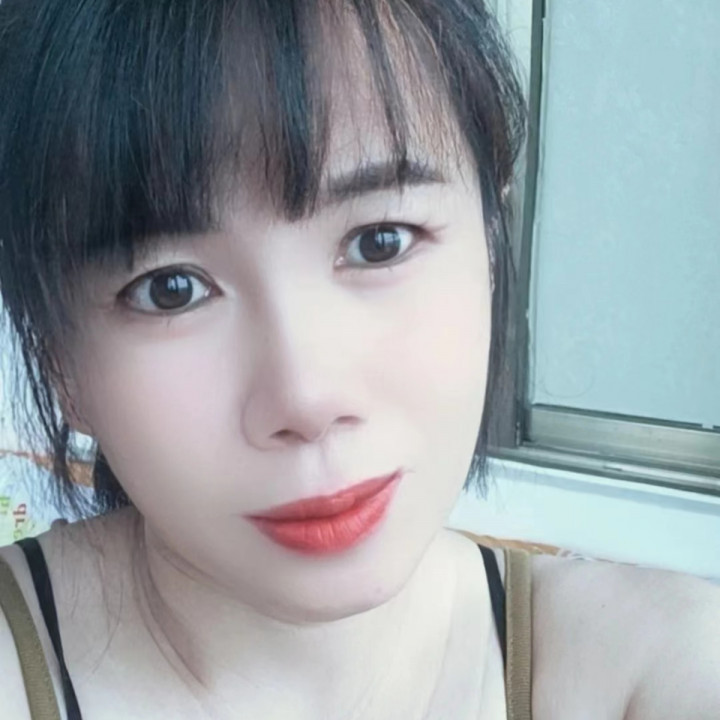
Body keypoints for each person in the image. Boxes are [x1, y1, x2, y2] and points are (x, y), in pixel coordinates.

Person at [0, 1, 717, 718]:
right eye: (170, 290)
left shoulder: (653, 665)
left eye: (381, 242)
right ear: (58, 360)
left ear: (492, 242)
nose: (307, 399)